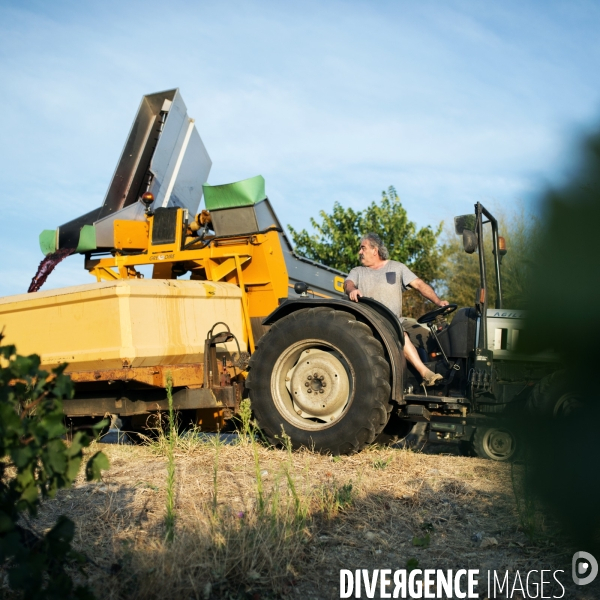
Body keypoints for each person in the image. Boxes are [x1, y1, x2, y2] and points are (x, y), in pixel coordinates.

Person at [344, 233, 448, 386]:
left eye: (363, 248)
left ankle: (447, 375)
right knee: (402, 334)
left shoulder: (397, 267)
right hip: (375, 321)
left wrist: (438, 301)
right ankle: (425, 373)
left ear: (375, 250)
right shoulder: (358, 271)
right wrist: (352, 290)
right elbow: (348, 284)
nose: (360, 252)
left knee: (430, 336)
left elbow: (419, 285)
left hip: (397, 319)